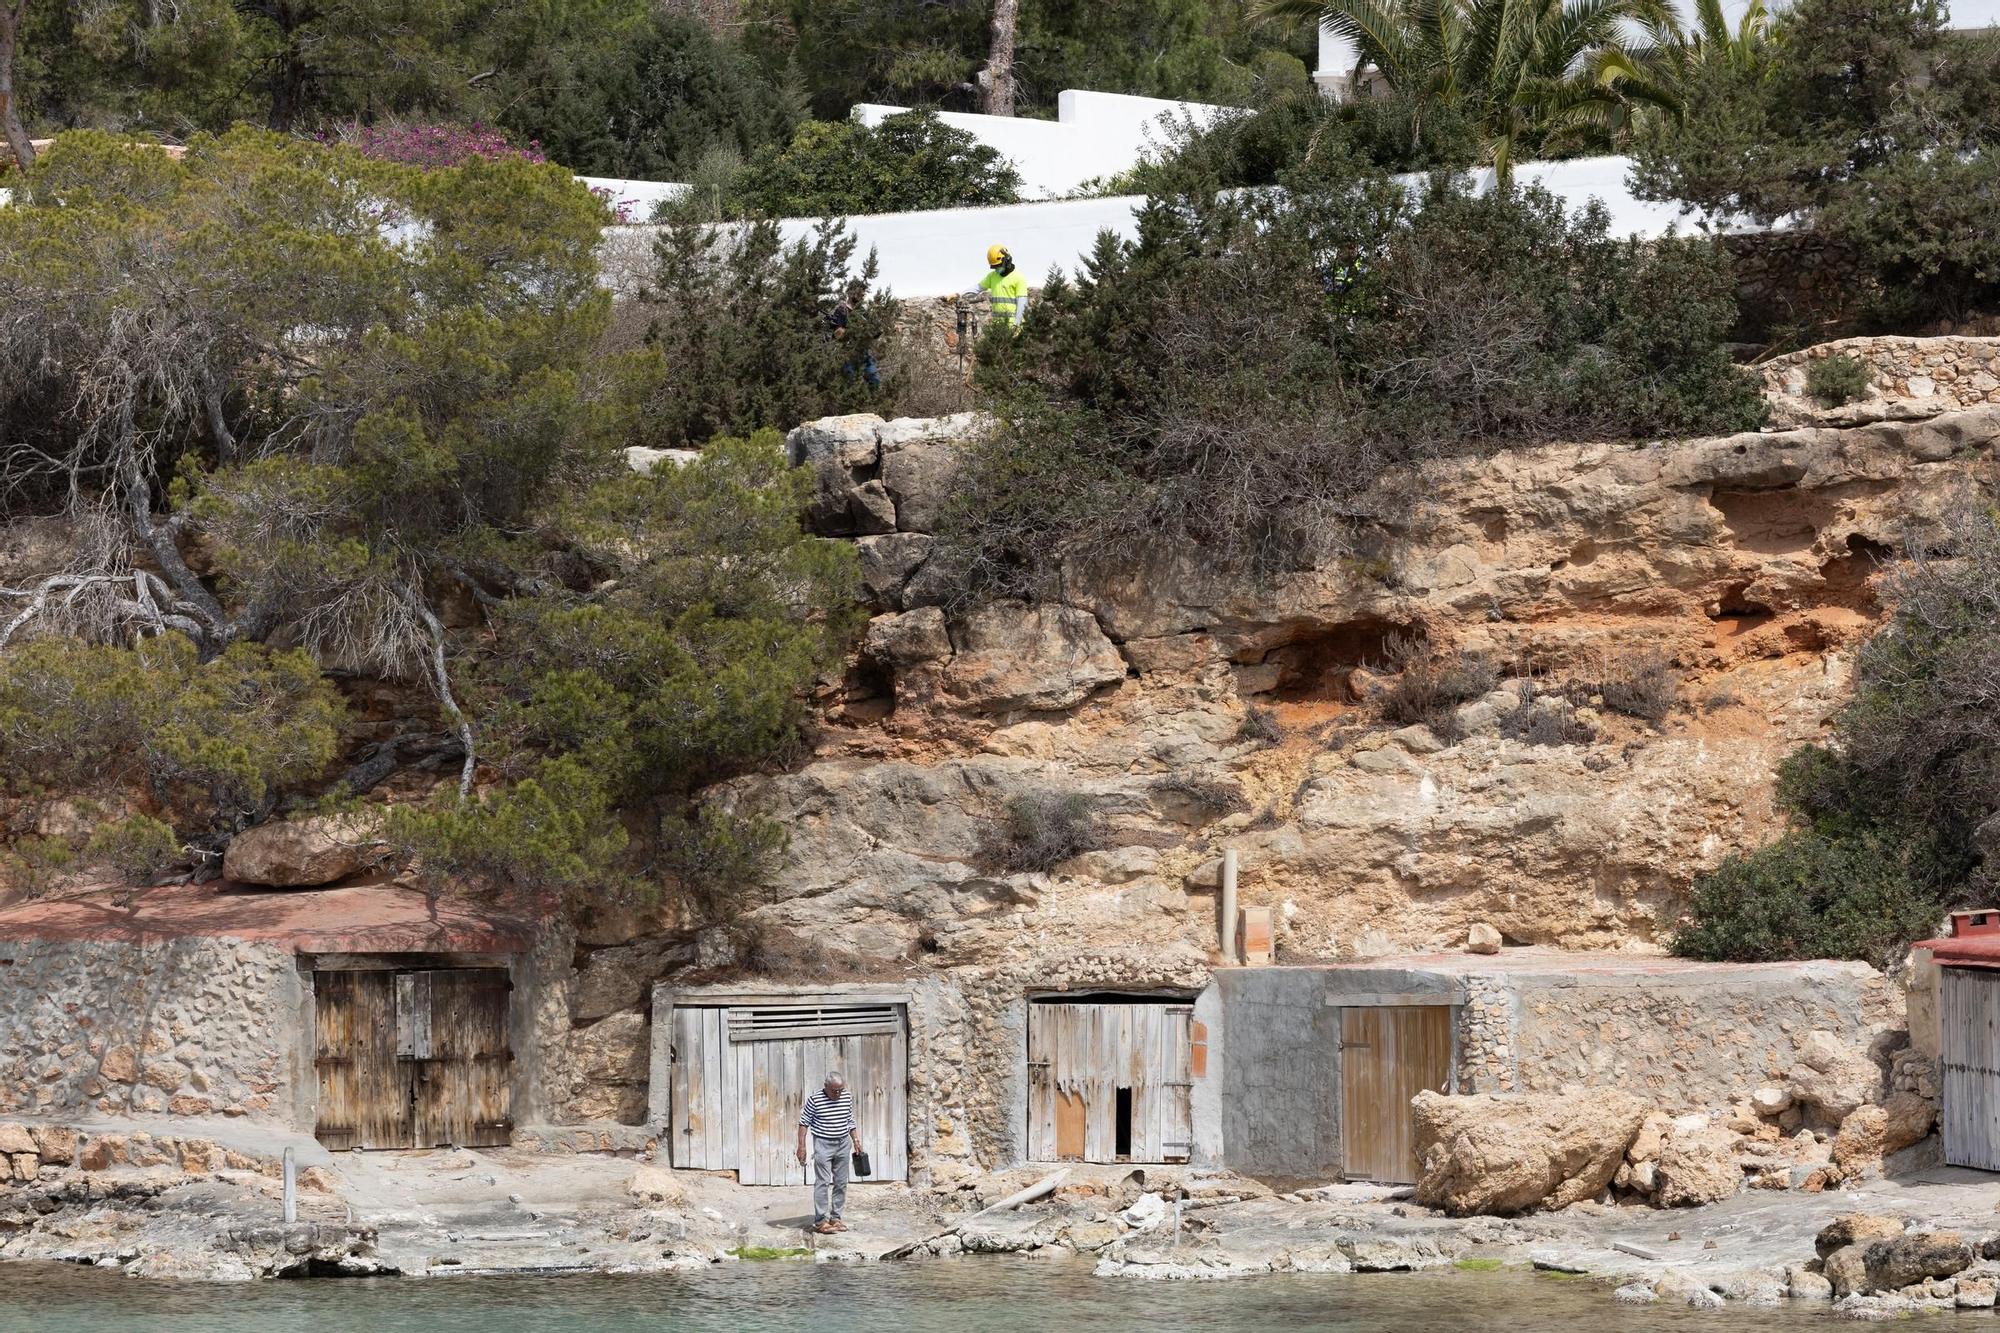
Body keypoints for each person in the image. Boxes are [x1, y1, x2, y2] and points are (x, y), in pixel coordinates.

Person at [796, 1070, 863, 1234]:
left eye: (840, 1090)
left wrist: (856, 1140)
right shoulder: (815, 1100)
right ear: (825, 1087)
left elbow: (849, 1120)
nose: (838, 1093)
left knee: (841, 1182)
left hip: (842, 1144)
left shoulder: (846, 1097)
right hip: (823, 1144)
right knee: (823, 1182)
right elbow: (803, 1124)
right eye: (835, 1090)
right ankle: (820, 1222)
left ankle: (836, 1218)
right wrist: (801, 1147)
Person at [827, 279, 880, 390]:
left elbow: (874, 331)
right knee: (849, 385)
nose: (863, 294)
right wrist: (853, 331)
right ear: (851, 292)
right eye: (860, 291)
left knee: (874, 381)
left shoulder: (863, 312)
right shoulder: (841, 310)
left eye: (864, 292)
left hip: (864, 353)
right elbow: (837, 333)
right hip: (847, 354)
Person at [979, 244, 1029, 333]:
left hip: (1014, 328)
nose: (997, 269)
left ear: (1007, 260)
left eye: (998, 266)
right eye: (995, 267)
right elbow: (977, 288)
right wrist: (958, 294)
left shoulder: (1018, 278)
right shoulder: (992, 276)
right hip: (998, 327)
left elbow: (1022, 305)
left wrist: (1016, 325)